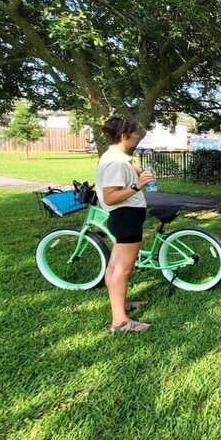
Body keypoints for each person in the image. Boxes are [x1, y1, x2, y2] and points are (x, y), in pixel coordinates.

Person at [95, 117, 156, 334]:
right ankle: (120, 322)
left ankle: (120, 305)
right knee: (123, 268)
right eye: (135, 133)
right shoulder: (115, 162)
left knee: (114, 266)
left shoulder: (117, 157)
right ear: (123, 136)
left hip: (125, 216)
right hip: (125, 216)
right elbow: (111, 197)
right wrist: (137, 185)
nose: (137, 136)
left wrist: (137, 173)